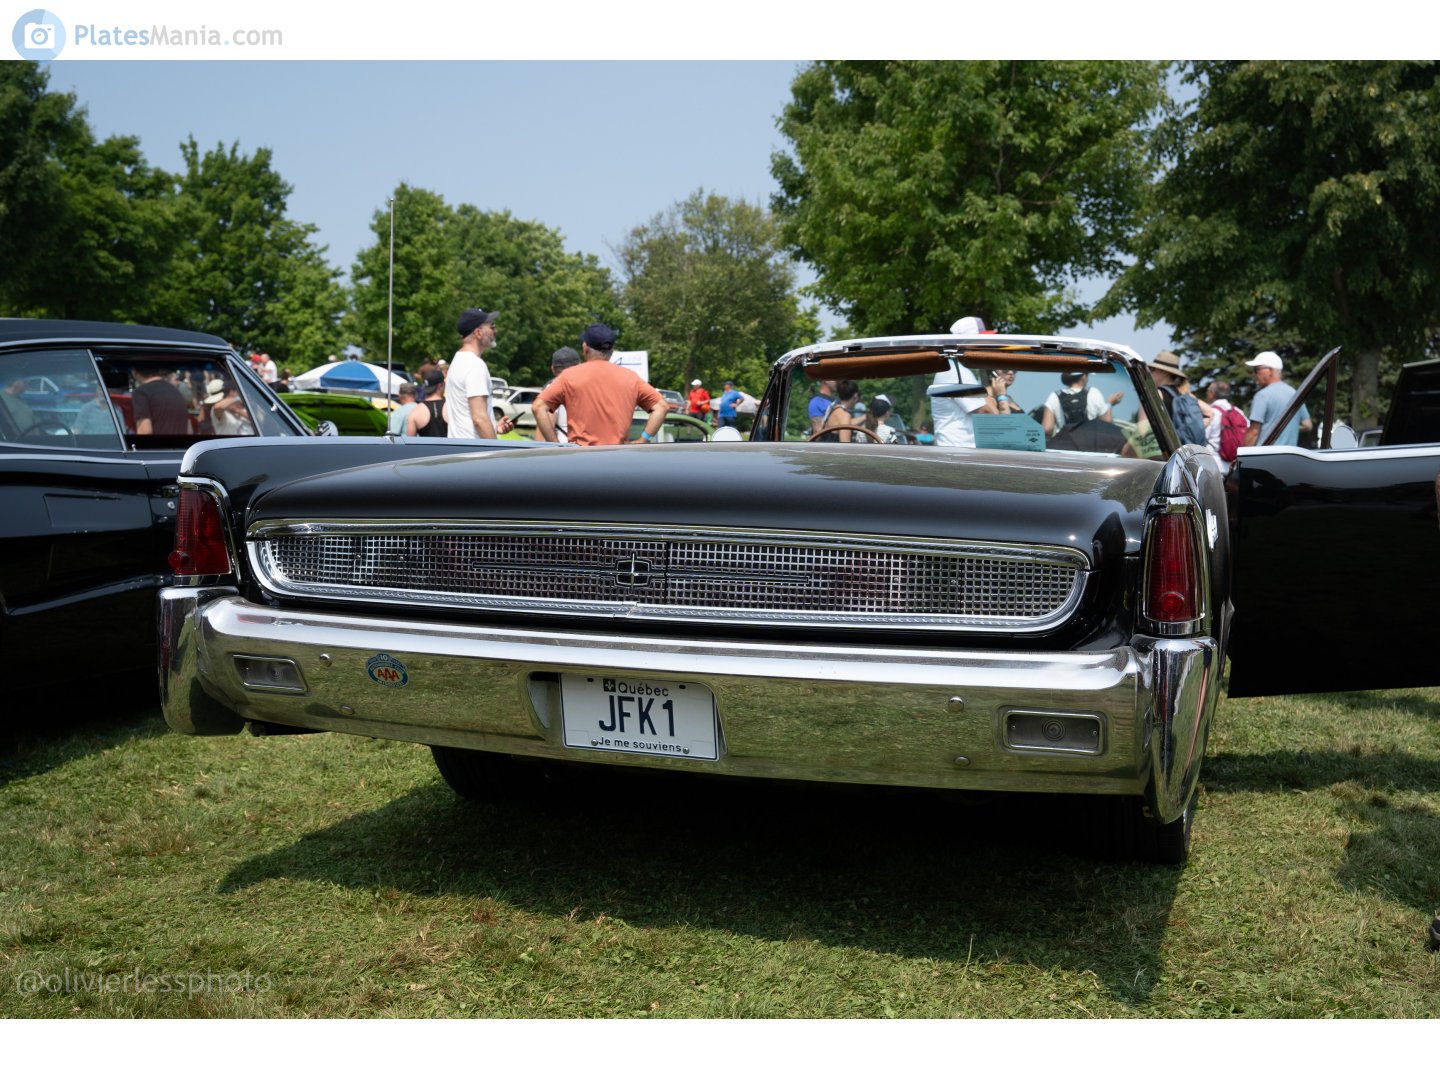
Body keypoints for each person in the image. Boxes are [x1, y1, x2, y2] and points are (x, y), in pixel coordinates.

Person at [532, 322, 668, 446]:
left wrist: (556, 445)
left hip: (581, 460)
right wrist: (643, 439)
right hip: (618, 458)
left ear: (585, 347)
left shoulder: (569, 376)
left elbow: (538, 407)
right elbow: (661, 407)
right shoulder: (631, 377)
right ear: (612, 351)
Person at [446, 307, 512, 439]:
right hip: (473, 452)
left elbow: (466, 415)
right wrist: (495, 451)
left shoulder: (457, 360)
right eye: (491, 326)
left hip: (460, 448)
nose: (495, 330)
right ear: (478, 333)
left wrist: (494, 428)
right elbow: (479, 418)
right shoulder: (475, 365)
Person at [1243, 351, 1311, 447]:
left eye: (1256, 370)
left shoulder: (1262, 395)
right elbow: (1307, 425)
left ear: (1270, 370)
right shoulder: (1294, 393)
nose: (1254, 375)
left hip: (1266, 458)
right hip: (1289, 457)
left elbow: (1254, 432)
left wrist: (1241, 457)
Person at [1148, 351, 1209, 446]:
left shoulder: (1158, 394)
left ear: (1163, 372)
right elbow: (1210, 412)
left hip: (1167, 452)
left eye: (1152, 369)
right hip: (1184, 452)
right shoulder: (1184, 394)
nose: (1150, 373)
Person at [1039, 371, 1122, 437]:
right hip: (1089, 448)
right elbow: (1107, 423)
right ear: (1083, 376)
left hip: (1063, 446)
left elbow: (1047, 429)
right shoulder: (1094, 393)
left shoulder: (1054, 396)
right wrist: (1110, 404)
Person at [930, 356, 987, 447]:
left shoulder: (955, 370)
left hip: (957, 447)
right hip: (959, 447)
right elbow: (986, 412)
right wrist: (1001, 396)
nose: (1011, 373)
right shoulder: (957, 373)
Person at [133, 368, 192, 435]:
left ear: (135, 372)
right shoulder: (177, 393)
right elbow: (189, 430)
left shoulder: (142, 392)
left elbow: (145, 431)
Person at [1204, 379, 1249, 462]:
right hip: (1235, 463)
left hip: (1214, 462)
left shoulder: (1211, 412)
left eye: (1208, 391)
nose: (1206, 393)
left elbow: (1203, 436)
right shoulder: (1238, 411)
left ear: (1212, 394)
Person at [544, 346, 582, 443]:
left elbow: (544, 425)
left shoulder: (552, 389)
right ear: (580, 366)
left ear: (552, 369)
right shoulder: (590, 387)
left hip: (564, 450)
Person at [405, 369, 449, 437]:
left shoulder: (415, 412)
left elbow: (409, 443)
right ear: (441, 385)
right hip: (449, 447)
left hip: (425, 448)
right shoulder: (451, 408)